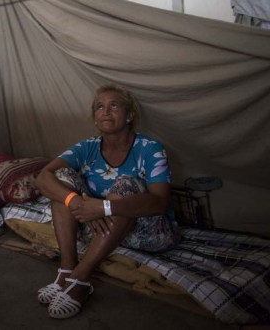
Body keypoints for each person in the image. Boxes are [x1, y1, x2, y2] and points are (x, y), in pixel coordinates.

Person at [35, 82, 178, 319]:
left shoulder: (150, 149)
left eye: (114, 105)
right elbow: (43, 178)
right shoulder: (87, 147)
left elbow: (159, 202)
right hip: (99, 228)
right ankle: (67, 269)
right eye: (99, 107)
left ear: (130, 115)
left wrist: (103, 207)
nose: (105, 111)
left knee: (127, 184)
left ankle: (81, 279)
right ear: (94, 118)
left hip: (147, 232)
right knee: (60, 179)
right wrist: (76, 203)